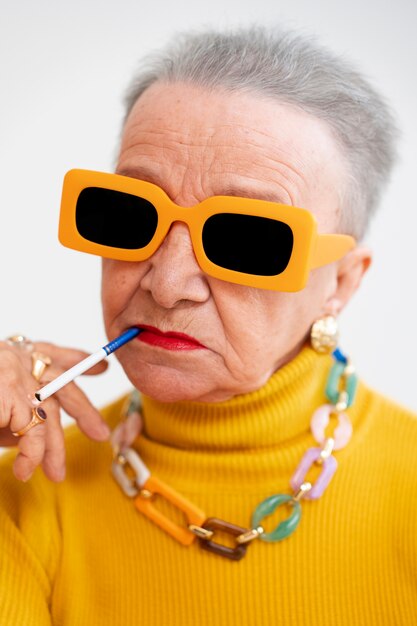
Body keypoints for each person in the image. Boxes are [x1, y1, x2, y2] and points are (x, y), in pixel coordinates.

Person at [0, 26, 416, 626]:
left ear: (343, 282)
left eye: (249, 239)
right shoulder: (25, 484)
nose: (166, 285)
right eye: (130, 213)